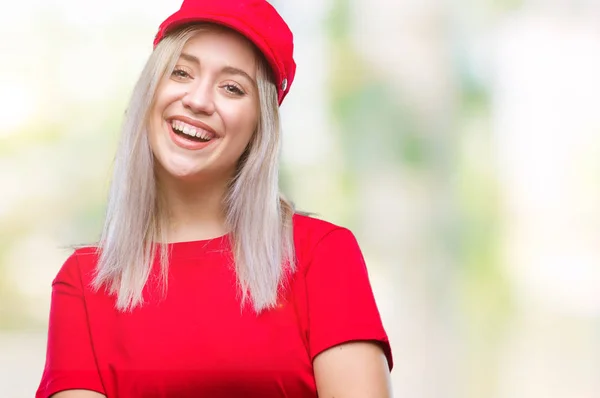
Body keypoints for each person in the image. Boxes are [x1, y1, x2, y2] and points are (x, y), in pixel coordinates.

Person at [36, 0, 393, 397]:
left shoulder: (320, 256)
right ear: (150, 91)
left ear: (261, 126)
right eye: (181, 72)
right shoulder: (84, 284)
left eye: (232, 87)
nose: (199, 101)